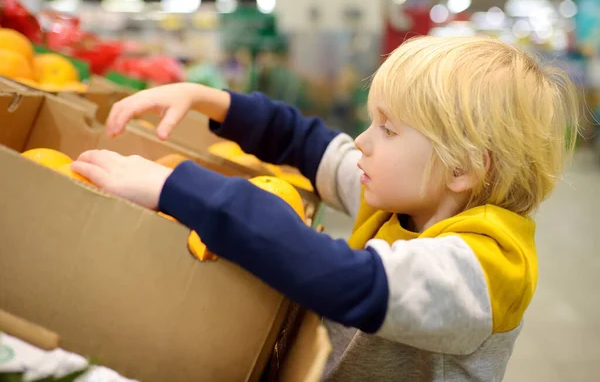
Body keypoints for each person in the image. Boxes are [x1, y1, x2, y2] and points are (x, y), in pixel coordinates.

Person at [71, 36, 581, 381]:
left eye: (388, 129)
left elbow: (343, 280)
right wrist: (212, 101)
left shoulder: (484, 269)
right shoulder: (406, 199)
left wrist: (177, 188)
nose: (361, 142)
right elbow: (310, 144)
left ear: (461, 168)